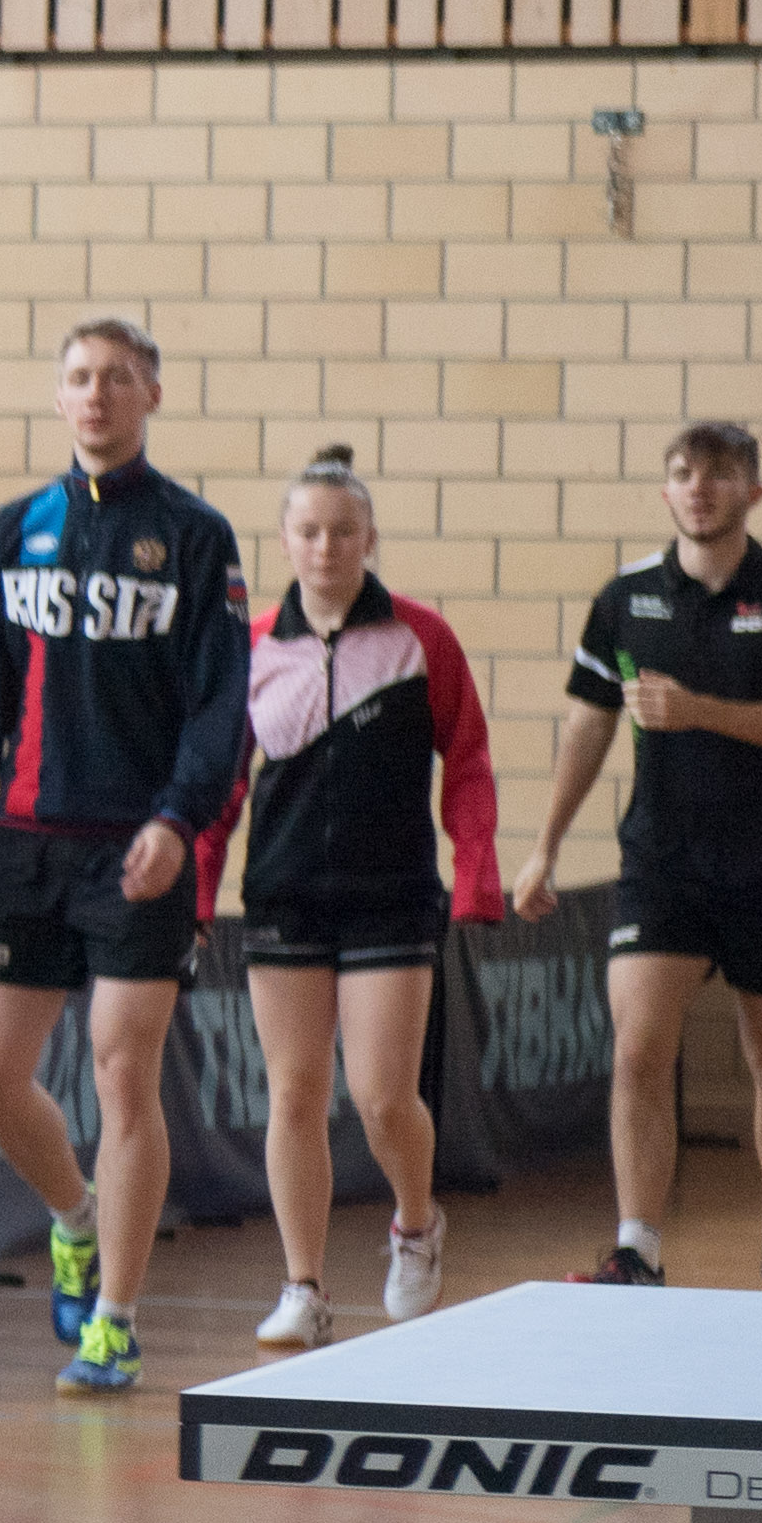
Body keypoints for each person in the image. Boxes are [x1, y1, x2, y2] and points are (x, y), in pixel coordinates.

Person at [0, 317, 251, 1395]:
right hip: (24, 845)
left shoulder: (195, 536)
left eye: (116, 377)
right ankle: (74, 1217)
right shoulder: (18, 528)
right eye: (78, 378)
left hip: (139, 852)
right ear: (59, 398)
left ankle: (115, 1319)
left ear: (152, 393)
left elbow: (222, 709)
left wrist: (179, 822)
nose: (96, 393)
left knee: (121, 1070)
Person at [516, 421, 762, 1292]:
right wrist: (544, 847)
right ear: (666, 490)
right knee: (638, 1050)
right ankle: (635, 1249)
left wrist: (700, 710)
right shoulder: (626, 598)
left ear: (753, 491)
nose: (698, 488)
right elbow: (588, 724)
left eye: (719, 474)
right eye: (682, 473)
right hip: (662, 864)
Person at [235, 447, 503, 1348]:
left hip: (391, 897)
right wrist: (191, 886)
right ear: (285, 540)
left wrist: (477, 870)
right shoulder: (252, 645)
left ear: (370, 538)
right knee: (294, 1095)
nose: (326, 547)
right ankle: (303, 1286)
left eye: (343, 531)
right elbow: (219, 782)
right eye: (309, 531)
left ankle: (416, 1225)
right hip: (283, 898)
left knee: (384, 1095)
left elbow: (468, 759)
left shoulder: (422, 638)